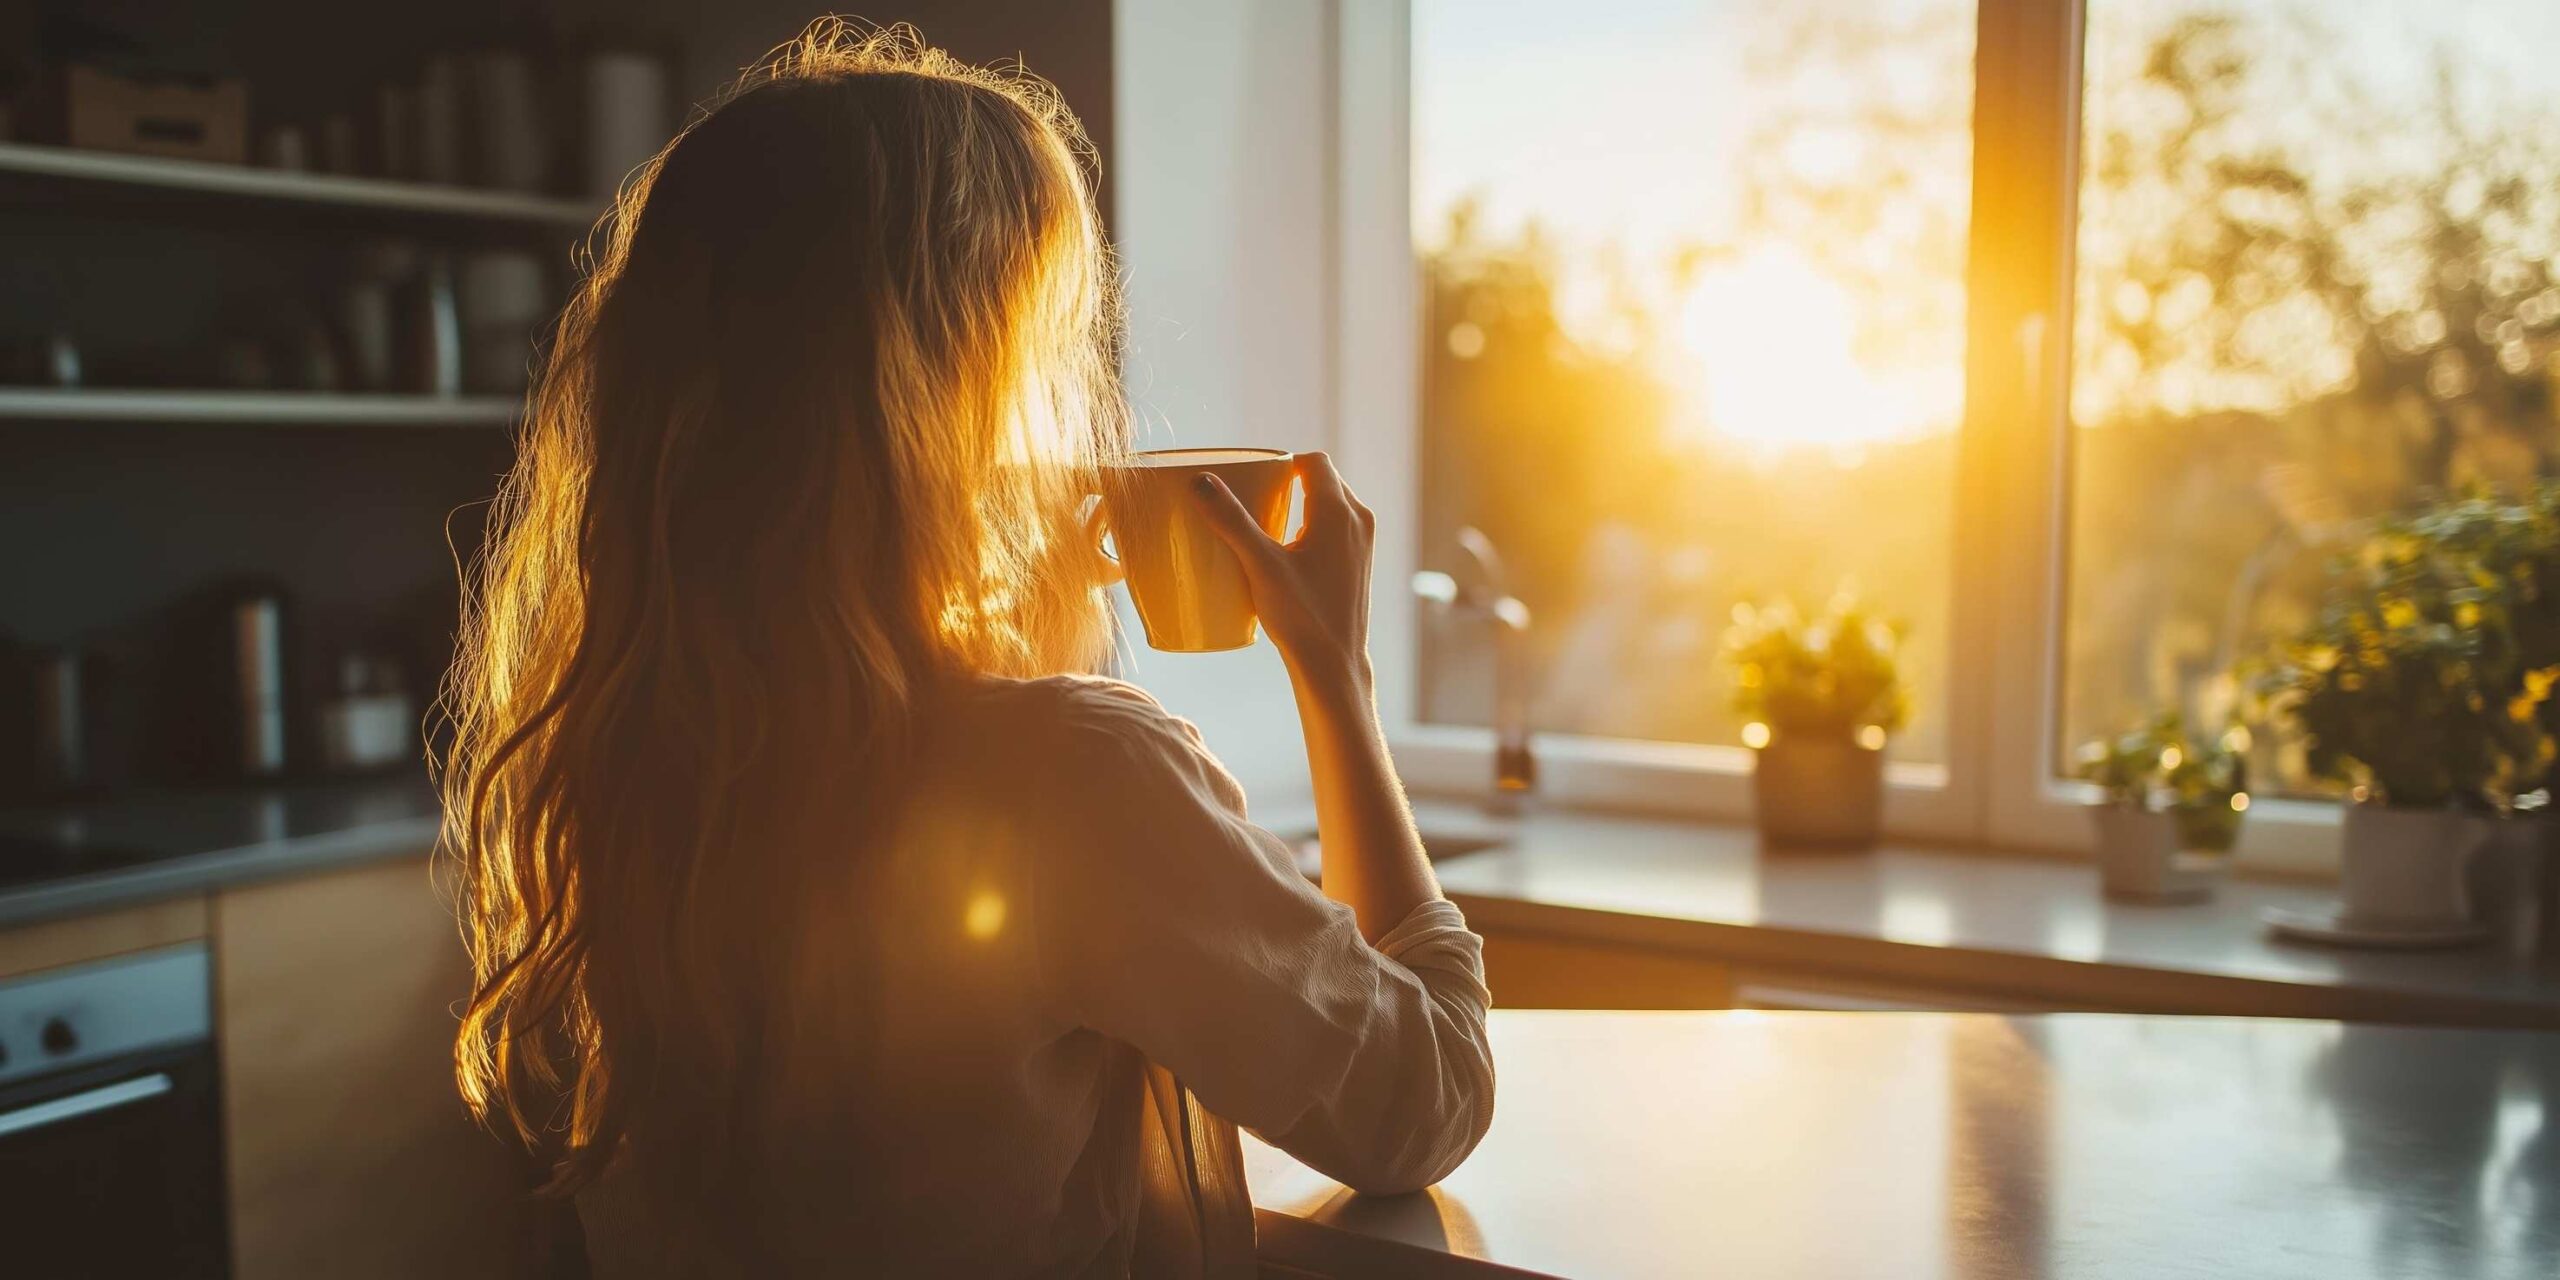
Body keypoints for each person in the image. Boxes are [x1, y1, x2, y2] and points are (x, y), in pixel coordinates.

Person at [440, 21, 1493, 1277]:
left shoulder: (638, 752)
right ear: (936, 395)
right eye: (1035, 350)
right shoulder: (1070, 774)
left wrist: (1018, 611)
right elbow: (1420, 1100)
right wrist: (1337, 684)